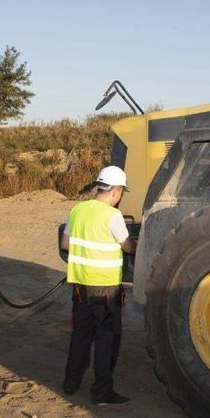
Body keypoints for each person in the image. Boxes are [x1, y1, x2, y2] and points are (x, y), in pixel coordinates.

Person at [59, 165, 135, 405]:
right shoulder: (113, 216)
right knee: (105, 340)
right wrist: (134, 245)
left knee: (80, 337)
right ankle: (101, 392)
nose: (120, 196)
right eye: (121, 191)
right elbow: (128, 247)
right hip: (106, 292)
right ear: (115, 191)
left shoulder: (78, 209)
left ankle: (70, 384)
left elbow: (64, 244)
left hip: (80, 289)